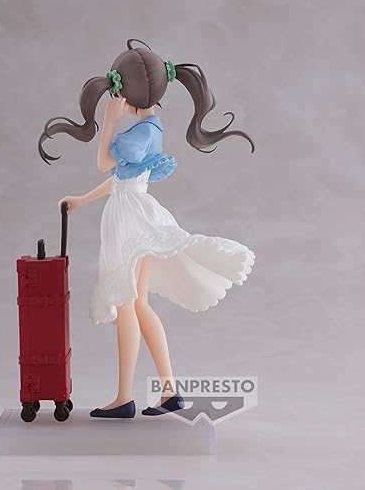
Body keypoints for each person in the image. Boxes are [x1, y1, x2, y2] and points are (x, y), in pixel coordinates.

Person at [38, 39, 255, 418]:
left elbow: (105, 163)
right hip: (132, 212)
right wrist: (83, 199)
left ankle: (125, 398)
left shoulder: (139, 134)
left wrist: (109, 121)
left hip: (131, 221)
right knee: (137, 304)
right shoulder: (148, 128)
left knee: (128, 305)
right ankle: (168, 392)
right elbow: (122, 178)